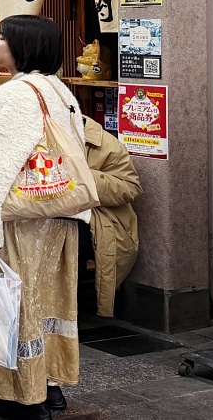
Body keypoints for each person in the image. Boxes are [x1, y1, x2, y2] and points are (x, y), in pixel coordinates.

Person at [0, 16, 84, 420]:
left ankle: (24, 397)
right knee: (46, 302)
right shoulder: (58, 89)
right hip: (55, 213)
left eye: (2, 37)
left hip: (18, 218)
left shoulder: (15, 93)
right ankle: (49, 386)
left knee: (15, 305)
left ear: (24, 48)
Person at [81, 118, 140, 318]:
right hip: (42, 214)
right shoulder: (33, 138)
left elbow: (130, 188)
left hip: (96, 217)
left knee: (70, 237)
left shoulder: (103, 142)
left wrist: (84, 177)